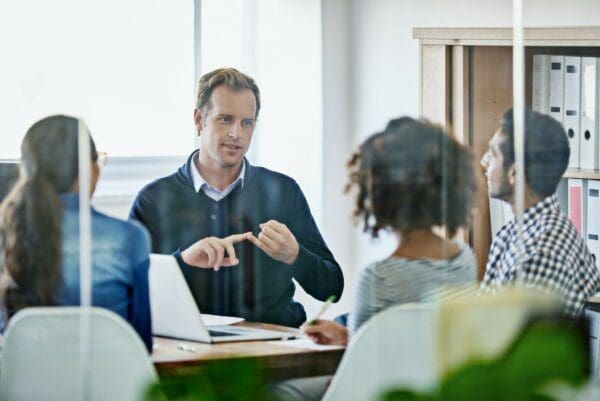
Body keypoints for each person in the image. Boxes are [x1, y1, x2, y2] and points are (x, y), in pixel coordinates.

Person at [273, 117, 478, 401]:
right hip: (431, 391)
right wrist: (349, 336)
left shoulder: (379, 277)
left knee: (281, 391)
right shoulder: (464, 259)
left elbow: (358, 378)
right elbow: (416, 347)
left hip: (379, 393)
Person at [129, 68, 343, 327]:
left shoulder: (284, 191)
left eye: (246, 122)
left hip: (274, 348)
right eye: (225, 119)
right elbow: (130, 292)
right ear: (199, 120)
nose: (236, 134)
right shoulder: (153, 199)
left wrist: (295, 256)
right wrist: (182, 262)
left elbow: (333, 288)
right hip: (190, 347)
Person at [0, 115, 152, 352]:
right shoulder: (128, 238)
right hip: (109, 385)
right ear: (90, 169)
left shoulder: (9, 234)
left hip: (25, 387)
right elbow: (142, 343)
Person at [480, 108, 600, 317]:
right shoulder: (526, 228)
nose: (485, 164)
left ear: (514, 172)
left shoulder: (538, 255)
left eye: (492, 155)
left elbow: (501, 343)